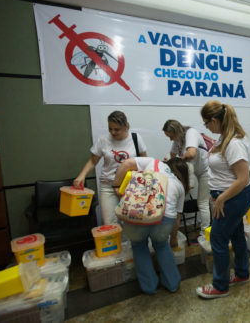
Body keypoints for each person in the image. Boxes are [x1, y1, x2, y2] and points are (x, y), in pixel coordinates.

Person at [196, 101, 250, 299]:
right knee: (236, 234)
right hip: (230, 195)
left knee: (218, 238)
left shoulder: (234, 143)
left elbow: (243, 179)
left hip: (233, 197)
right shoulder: (227, 138)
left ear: (214, 120)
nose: (207, 128)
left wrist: (221, 198)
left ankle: (220, 286)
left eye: (206, 123)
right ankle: (241, 273)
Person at [112, 157, 189, 294]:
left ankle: (149, 287)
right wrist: (173, 238)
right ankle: (172, 284)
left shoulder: (153, 162)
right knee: (161, 245)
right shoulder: (179, 186)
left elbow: (127, 163)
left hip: (136, 214)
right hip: (164, 220)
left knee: (139, 246)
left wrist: (116, 186)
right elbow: (176, 218)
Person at [74, 111, 147, 225]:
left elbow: (144, 161)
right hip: (108, 186)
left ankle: (128, 243)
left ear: (126, 126)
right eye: (110, 128)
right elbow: (93, 160)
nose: (113, 132)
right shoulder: (103, 140)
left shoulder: (136, 138)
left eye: (116, 129)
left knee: (132, 221)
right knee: (110, 222)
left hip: (131, 186)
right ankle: (116, 243)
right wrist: (82, 175)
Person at [162, 119, 211, 238]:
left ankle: (204, 234)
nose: (171, 139)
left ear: (177, 131)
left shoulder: (191, 133)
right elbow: (172, 155)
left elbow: (191, 154)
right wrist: (168, 163)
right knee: (210, 202)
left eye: (171, 136)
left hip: (208, 171)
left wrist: (177, 161)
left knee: (203, 203)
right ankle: (212, 227)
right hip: (199, 172)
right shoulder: (178, 139)